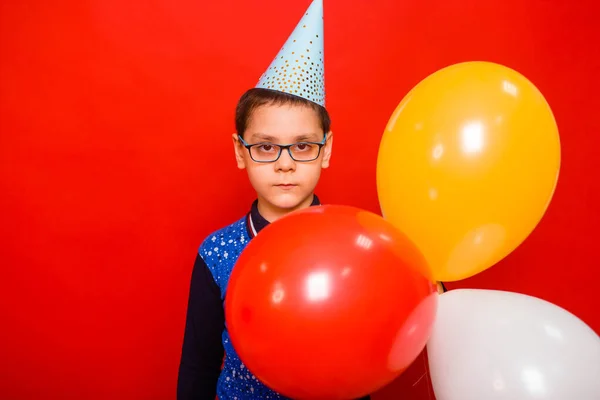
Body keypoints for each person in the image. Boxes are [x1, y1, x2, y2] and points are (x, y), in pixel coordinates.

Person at [177, 1, 371, 398]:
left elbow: (368, 352)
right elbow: (198, 363)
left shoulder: (357, 246)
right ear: (240, 150)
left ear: (327, 148)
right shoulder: (216, 253)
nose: (285, 164)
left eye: (303, 146)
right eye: (266, 147)